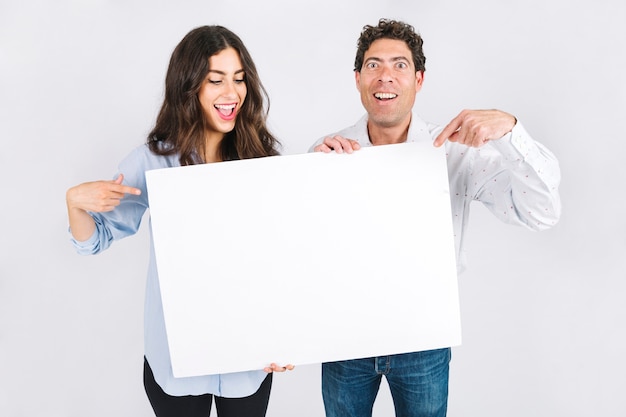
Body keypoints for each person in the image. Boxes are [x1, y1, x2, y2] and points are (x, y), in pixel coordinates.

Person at [310, 18, 561, 417]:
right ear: (357, 79)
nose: (385, 77)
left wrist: (511, 131)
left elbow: (542, 212)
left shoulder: (456, 151)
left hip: (423, 339)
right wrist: (312, 179)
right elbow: (305, 252)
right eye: (373, 65)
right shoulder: (327, 152)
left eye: (400, 65)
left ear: (419, 79)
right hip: (347, 338)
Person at [66, 25, 293, 417]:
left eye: (239, 79)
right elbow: (97, 239)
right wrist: (74, 204)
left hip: (248, 359)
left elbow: (281, 260)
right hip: (176, 360)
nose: (231, 93)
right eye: (215, 80)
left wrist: (286, 335)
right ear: (188, 87)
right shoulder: (152, 161)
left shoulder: (262, 160)